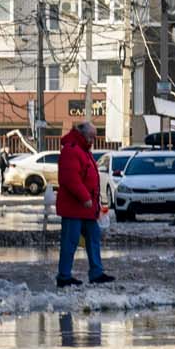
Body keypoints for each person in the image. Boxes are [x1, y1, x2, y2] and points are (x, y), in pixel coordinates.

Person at [53, 121, 112, 287]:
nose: (93, 140)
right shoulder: (72, 150)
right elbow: (70, 179)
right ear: (82, 134)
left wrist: (94, 203)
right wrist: (86, 197)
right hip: (75, 207)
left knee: (93, 237)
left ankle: (96, 272)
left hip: (86, 208)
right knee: (70, 242)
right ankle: (64, 276)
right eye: (91, 136)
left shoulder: (82, 150)